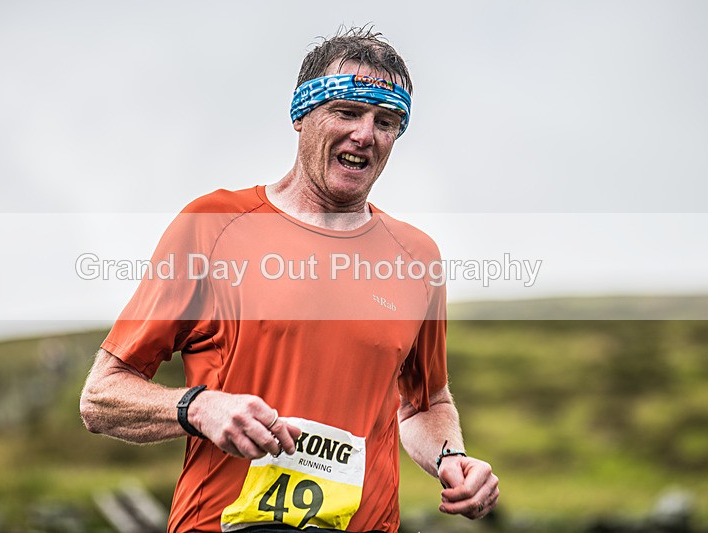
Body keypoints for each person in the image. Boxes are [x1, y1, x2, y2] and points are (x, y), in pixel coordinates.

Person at [80, 27, 499, 533]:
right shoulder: (212, 226)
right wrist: (200, 407)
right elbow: (102, 397)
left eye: (386, 121)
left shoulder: (417, 257)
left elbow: (425, 403)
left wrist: (451, 459)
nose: (365, 135)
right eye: (346, 112)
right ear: (301, 115)